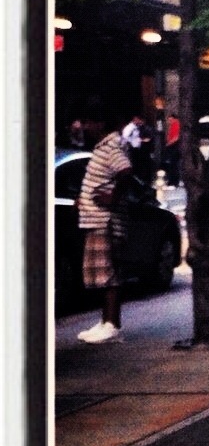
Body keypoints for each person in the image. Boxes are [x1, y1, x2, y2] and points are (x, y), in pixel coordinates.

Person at [74, 101, 134, 343]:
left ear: (100, 123)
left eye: (87, 122)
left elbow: (125, 171)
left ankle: (111, 325)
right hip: (97, 219)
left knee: (108, 275)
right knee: (102, 275)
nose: (84, 127)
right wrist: (85, 198)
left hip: (104, 221)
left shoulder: (110, 147)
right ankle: (106, 321)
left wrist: (113, 198)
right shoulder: (105, 146)